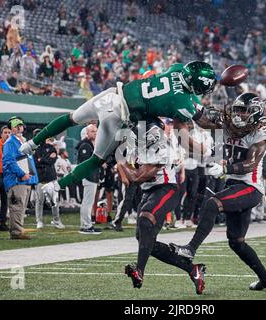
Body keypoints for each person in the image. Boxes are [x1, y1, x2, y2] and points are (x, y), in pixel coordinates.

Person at [19, 61, 218, 199]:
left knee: (71, 119)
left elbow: (180, 90)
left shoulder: (176, 69)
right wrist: (211, 144)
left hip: (112, 94)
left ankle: (31, 143)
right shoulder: (183, 103)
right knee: (97, 159)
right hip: (119, 115)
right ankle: (56, 187)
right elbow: (191, 126)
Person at [169, 93, 266, 291]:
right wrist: (185, 103)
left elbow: (250, 163)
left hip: (249, 188)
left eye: (243, 111)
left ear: (255, 112)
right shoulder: (227, 126)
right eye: (236, 110)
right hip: (234, 188)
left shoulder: (262, 133)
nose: (238, 114)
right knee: (236, 242)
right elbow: (202, 118)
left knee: (212, 203)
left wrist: (226, 169)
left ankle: (190, 249)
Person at [122, 118, 207, 294]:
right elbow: (131, 176)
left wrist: (121, 164)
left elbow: (137, 177)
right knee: (145, 240)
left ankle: (139, 271)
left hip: (166, 189)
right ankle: (192, 270)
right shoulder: (136, 145)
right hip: (148, 192)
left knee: (146, 221)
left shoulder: (163, 148)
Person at [3, 116, 38, 239]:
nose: (19, 128)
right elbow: (8, 161)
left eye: (20, 125)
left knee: (21, 206)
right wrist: (22, 174)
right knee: (17, 206)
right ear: (11, 128)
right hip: (17, 179)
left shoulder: (22, 141)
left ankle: (18, 230)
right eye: (16, 126)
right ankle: (16, 232)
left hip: (25, 179)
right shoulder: (10, 142)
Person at [34, 135, 65, 229]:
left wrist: (42, 159)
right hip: (40, 178)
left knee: (54, 201)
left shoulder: (51, 148)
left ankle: (56, 220)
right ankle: (39, 221)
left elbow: (52, 160)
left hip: (51, 178)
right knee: (39, 201)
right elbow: (35, 162)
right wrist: (46, 159)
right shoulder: (36, 150)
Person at [77, 124, 102, 234]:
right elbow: (85, 162)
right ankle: (86, 225)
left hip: (93, 176)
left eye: (96, 131)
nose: (95, 133)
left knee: (88, 202)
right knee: (87, 202)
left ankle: (86, 224)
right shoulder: (85, 146)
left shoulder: (92, 145)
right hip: (88, 176)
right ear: (87, 133)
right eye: (92, 131)